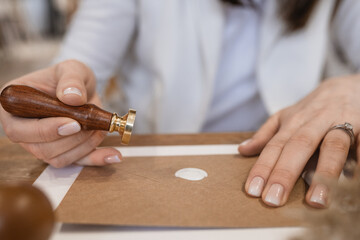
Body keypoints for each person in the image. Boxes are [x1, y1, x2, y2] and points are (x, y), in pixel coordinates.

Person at [0, 0, 359, 209]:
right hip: (150, 167)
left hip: (295, 169)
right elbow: (74, 67)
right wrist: (57, 101)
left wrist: (352, 88)